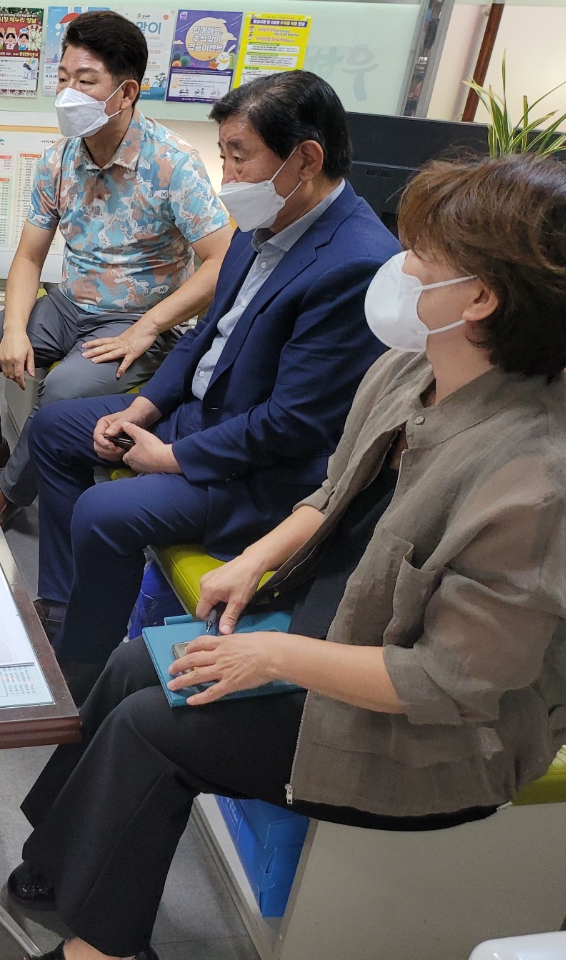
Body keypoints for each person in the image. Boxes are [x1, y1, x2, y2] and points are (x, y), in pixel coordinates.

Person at [6, 153, 566, 960]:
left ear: (480, 297)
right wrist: (255, 558)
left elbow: (446, 685)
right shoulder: (412, 372)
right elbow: (335, 491)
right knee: (135, 666)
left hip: (437, 738)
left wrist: (273, 655)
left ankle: (104, 948)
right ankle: (62, 865)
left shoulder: (538, 482)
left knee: (152, 727)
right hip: (335, 633)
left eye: (423, 255)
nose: (402, 266)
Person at [28, 70, 397, 693]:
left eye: (239, 156)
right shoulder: (266, 223)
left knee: (103, 512)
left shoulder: (355, 264)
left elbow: (292, 425)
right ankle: (68, 606)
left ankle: (80, 674)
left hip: (262, 473)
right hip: (201, 419)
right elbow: (204, 336)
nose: (227, 177)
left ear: (306, 159)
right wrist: (144, 409)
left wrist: (171, 458)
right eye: (223, 154)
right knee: (53, 428)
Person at [0, 11, 234, 525]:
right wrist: (15, 329)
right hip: (66, 305)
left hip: (135, 320)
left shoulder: (174, 164)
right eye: (62, 79)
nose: (67, 94)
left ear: (126, 93)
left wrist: (149, 327)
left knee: (63, 389)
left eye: (85, 81)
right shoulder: (58, 160)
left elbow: (223, 260)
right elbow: (29, 256)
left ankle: (8, 495)